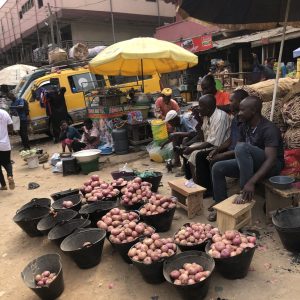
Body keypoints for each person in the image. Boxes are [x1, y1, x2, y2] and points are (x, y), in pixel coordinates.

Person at [209, 96, 284, 221]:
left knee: (242, 147)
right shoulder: (245, 125)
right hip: (251, 163)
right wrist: (221, 154)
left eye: (242, 110)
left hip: (272, 166)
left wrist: (251, 182)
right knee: (218, 167)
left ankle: (243, 193)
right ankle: (220, 206)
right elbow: (240, 152)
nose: (239, 113)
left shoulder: (269, 129)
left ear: (254, 110)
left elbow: (271, 160)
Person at [193, 90, 249, 198]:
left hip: (240, 154)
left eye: (232, 101)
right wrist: (217, 150)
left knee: (215, 161)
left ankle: (218, 196)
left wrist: (222, 154)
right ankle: (207, 189)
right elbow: (230, 140)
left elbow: (243, 148)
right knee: (201, 156)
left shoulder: (246, 122)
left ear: (241, 102)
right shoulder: (235, 119)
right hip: (231, 150)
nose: (229, 103)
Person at [183, 94, 232, 187]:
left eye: (200, 106)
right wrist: (197, 119)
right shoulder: (207, 115)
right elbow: (202, 137)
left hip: (220, 147)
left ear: (208, 108)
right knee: (187, 151)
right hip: (211, 144)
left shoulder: (220, 117)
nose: (198, 108)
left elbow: (212, 143)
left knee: (195, 154)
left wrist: (192, 148)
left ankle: (203, 186)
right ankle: (193, 180)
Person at [0, 108, 15, 190]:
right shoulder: (4, 113)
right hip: (5, 143)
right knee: (7, 162)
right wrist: (7, 133)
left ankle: (3, 185)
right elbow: (10, 126)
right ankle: (10, 176)